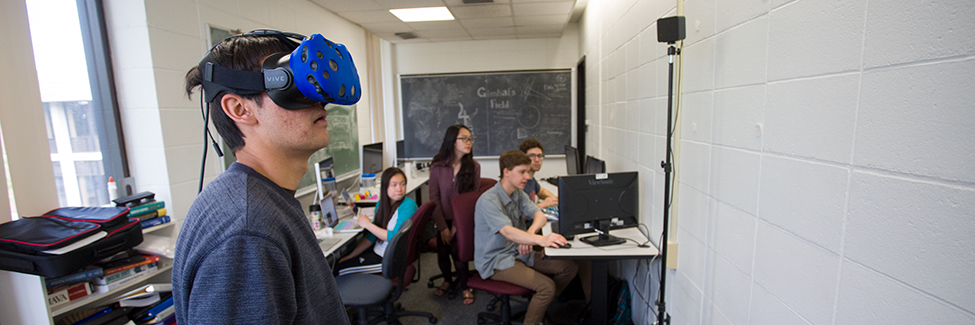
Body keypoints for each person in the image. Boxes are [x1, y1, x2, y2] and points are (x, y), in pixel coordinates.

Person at [173, 31, 353, 324]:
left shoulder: (260, 201)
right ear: (240, 109)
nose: (321, 100)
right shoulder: (246, 232)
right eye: (293, 85)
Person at [474, 150, 587, 325]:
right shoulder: (489, 200)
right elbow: (507, 232)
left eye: (528, 172)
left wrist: (531, 233)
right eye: (522, 172)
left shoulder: (518, 194)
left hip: (518, 252)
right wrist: (540, 240)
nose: (527, 176)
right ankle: (534, 316)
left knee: (569, 267)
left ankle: (538, 303)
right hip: (496, 260)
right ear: (506, 171)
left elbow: (539, 215)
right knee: (546, 287)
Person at [428, 124, 481, 305]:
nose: (469, 142)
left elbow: (470, 201)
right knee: (442, 253)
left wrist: (456, 227)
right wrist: (443, 227)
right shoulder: (437, 166)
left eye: (470, 139)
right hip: (442, 218)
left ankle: (466, 286)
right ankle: (447, 280)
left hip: (463, 221)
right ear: (452, 141)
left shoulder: (473, 167)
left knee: (458, 252)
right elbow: (433, 199)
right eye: (464, 138)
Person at [336, 167, 417, 275]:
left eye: (402, 184)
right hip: (377, 252)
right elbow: (371, 236)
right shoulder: (381, 204)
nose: (399, 189)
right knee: (340, 263)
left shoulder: (408, 205)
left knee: (337, 271)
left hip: (388, 260)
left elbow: (394, 237)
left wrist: (368, 224)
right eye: (394, 185)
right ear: (385, 187)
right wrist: (351, 255)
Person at [518, 139, 558, 209]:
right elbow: (519, 216)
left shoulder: (531, 179)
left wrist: (554, 199)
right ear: (523, 158)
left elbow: (541, 191)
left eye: (539, 156)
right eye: (532, 156)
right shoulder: (519, 182)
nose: (537, 160)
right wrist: (542, 205)